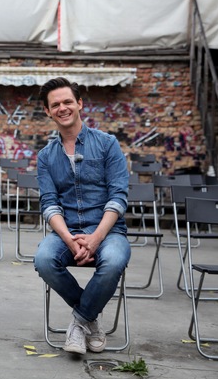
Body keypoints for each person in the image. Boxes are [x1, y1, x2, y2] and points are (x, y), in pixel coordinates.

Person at [33, 77, 130, 355]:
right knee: (43, 259)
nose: (62, 108)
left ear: (79, 104)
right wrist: (69, 240)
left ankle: (79, 321)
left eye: (67, 101)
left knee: (113, 261)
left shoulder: (107, 144)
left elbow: (118, 197)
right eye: (55, 105)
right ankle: (91, 317)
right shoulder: (45, 156)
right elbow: (49, 204)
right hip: (67, 232)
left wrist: (96, 238)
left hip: (108, 232)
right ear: (48, 111)